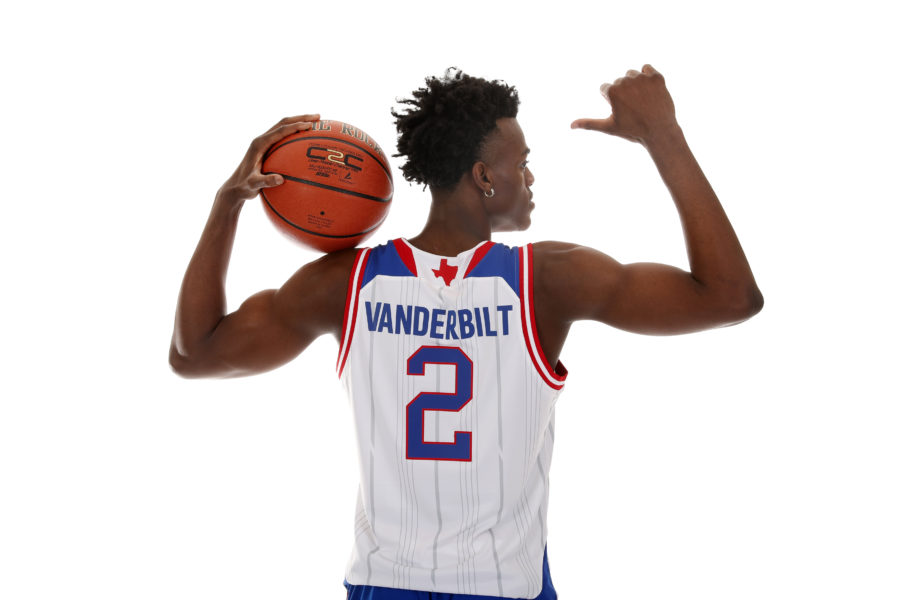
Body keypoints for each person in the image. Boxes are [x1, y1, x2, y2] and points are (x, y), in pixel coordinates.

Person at [170, 64, 763, 599]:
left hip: (384, 584)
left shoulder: (344, 284)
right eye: (522, 162)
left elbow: (195, 354)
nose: (530, 177)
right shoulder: (546, 281)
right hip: (504, 587)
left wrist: (227, 204)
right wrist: (663, 134)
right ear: (483, 176)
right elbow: (731, 297)